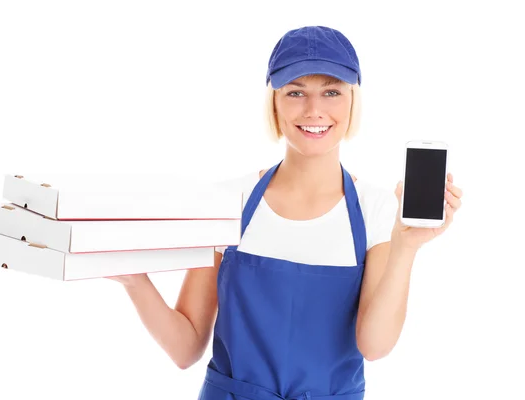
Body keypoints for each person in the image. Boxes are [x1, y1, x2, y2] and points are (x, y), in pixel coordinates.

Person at [107, 25, 463, 400]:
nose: (314, 110)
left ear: (352, 101)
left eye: (331, 91)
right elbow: (185, 349)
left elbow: (374, 347)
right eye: (296, 92)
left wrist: (406, 248)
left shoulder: (378, 210)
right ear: (273, 101)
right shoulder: (228, 201)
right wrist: (136, 281)